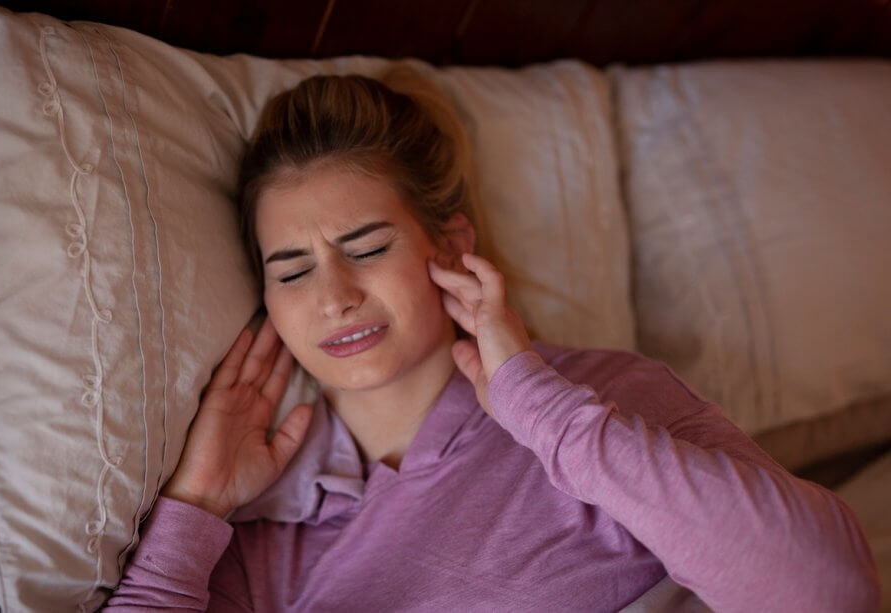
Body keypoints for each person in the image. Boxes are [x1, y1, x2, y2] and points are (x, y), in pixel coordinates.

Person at [105, 69, 879, 612]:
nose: (335, 297)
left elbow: (830, 591)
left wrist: (537, 408)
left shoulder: (593, 404)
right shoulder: (266, 539)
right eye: (293, 269)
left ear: (449, 245)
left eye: (368, 248)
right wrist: (196, 504)